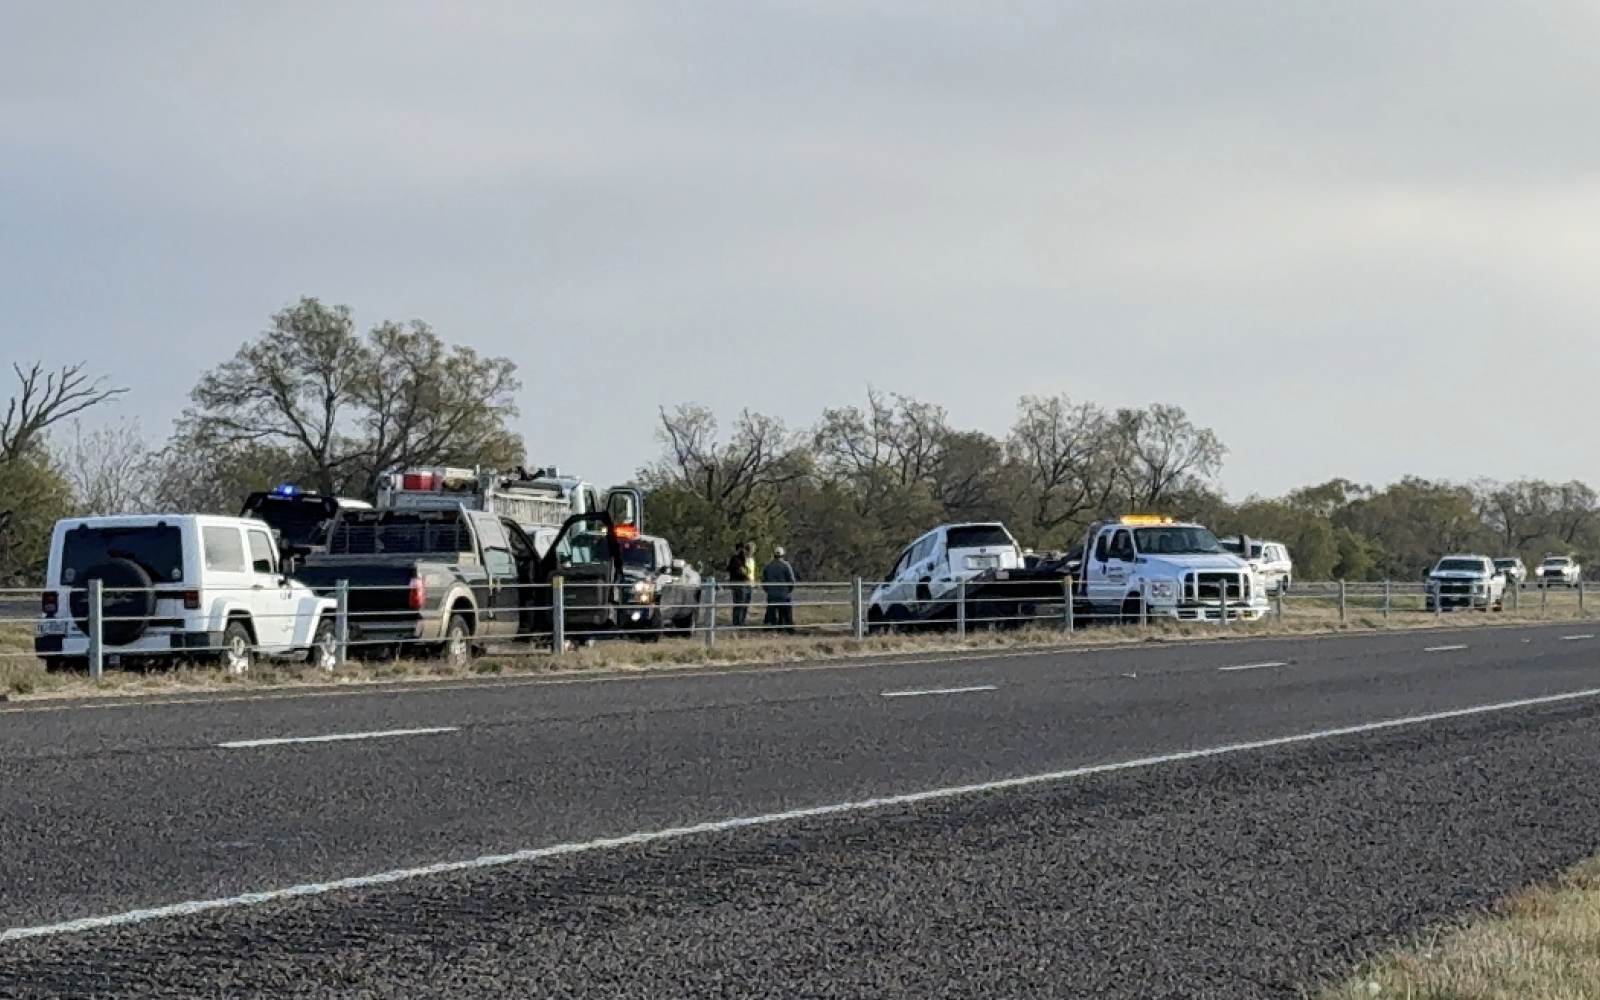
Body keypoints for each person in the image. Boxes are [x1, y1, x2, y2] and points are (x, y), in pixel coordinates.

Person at [762, 546, 797, 633]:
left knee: (771, 612)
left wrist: (768, 590)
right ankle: (788, 629)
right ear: (783, 555)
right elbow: (791, 580)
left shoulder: (768, 566)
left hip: (772, 594)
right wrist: (789, 590)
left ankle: (769, 627)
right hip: (784, 594)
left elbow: (763, 580)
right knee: (786, 613)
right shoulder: (786, 565)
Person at [726, 542, 754, 627]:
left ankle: (741, 620)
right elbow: (740, 570)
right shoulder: (736, 559)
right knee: (740, 603)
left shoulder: (742, 559)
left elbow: (745, 570)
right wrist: (746, 576)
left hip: (744, 583)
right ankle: (737, 622)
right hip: (739, 583)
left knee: (744, 603)